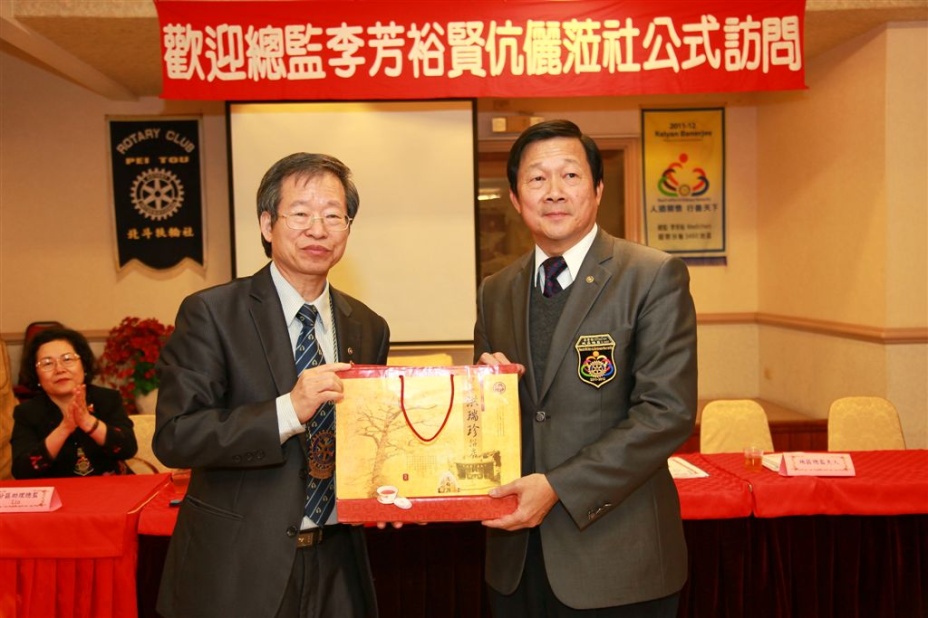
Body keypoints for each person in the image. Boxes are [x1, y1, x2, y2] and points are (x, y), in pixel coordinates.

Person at [475, 119, 698, 617]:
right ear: (515, 198)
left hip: (617, 563)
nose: (554, 191)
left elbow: (666, 413)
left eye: (570, 175)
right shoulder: (496, 290)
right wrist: (483, 391)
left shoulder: (652, 276)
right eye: (537, 178)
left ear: (597, 189)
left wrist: (559, 486)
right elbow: (490, 425)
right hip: (516, 561)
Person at [153, 153, 390, 618]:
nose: (318, 229)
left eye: (333, 216)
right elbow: (176, 436)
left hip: (339, 563)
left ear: (348, 228)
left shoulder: (367, 325)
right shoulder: (212, 313)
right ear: (267, 224)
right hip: (238, 569)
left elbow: (370, 438)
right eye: (300, 213)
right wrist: (287, 411)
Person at [11, 327, 138, 478]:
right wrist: (64, 428)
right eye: (47, 363)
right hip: (58, 491)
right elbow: (22, 471)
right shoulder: (27, 412)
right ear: (36, 374)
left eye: (67, 359)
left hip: (112, 488)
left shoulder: (107, 399)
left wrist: (88, 422)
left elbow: (128, 449)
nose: (59, 369)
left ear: (83, 364)